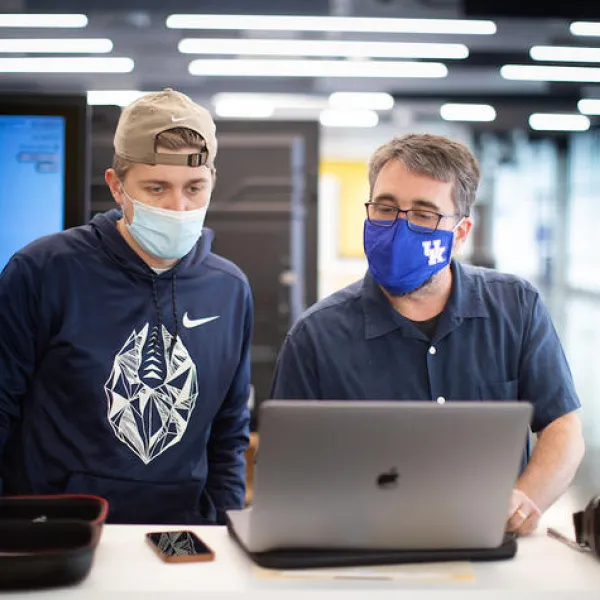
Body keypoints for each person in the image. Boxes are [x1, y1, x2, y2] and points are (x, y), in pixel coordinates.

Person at [270, 133, 584, 537]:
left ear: (461, 232)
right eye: (385, 208)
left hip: (496, 547)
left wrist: (523, 502)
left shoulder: (514, 307)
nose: (400, 228)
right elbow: (288, 475)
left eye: (424, 214)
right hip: (367, 553)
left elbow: (562, 427)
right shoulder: (315, 337)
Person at [0, 88, 253, 525]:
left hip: (179, 530)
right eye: (156, 188)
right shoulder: (44, 271)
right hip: (58, 526)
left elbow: (229, 434)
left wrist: (226, 531)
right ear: (117, 187)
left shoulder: (228, 288)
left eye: (195, 188)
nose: (179, 207)